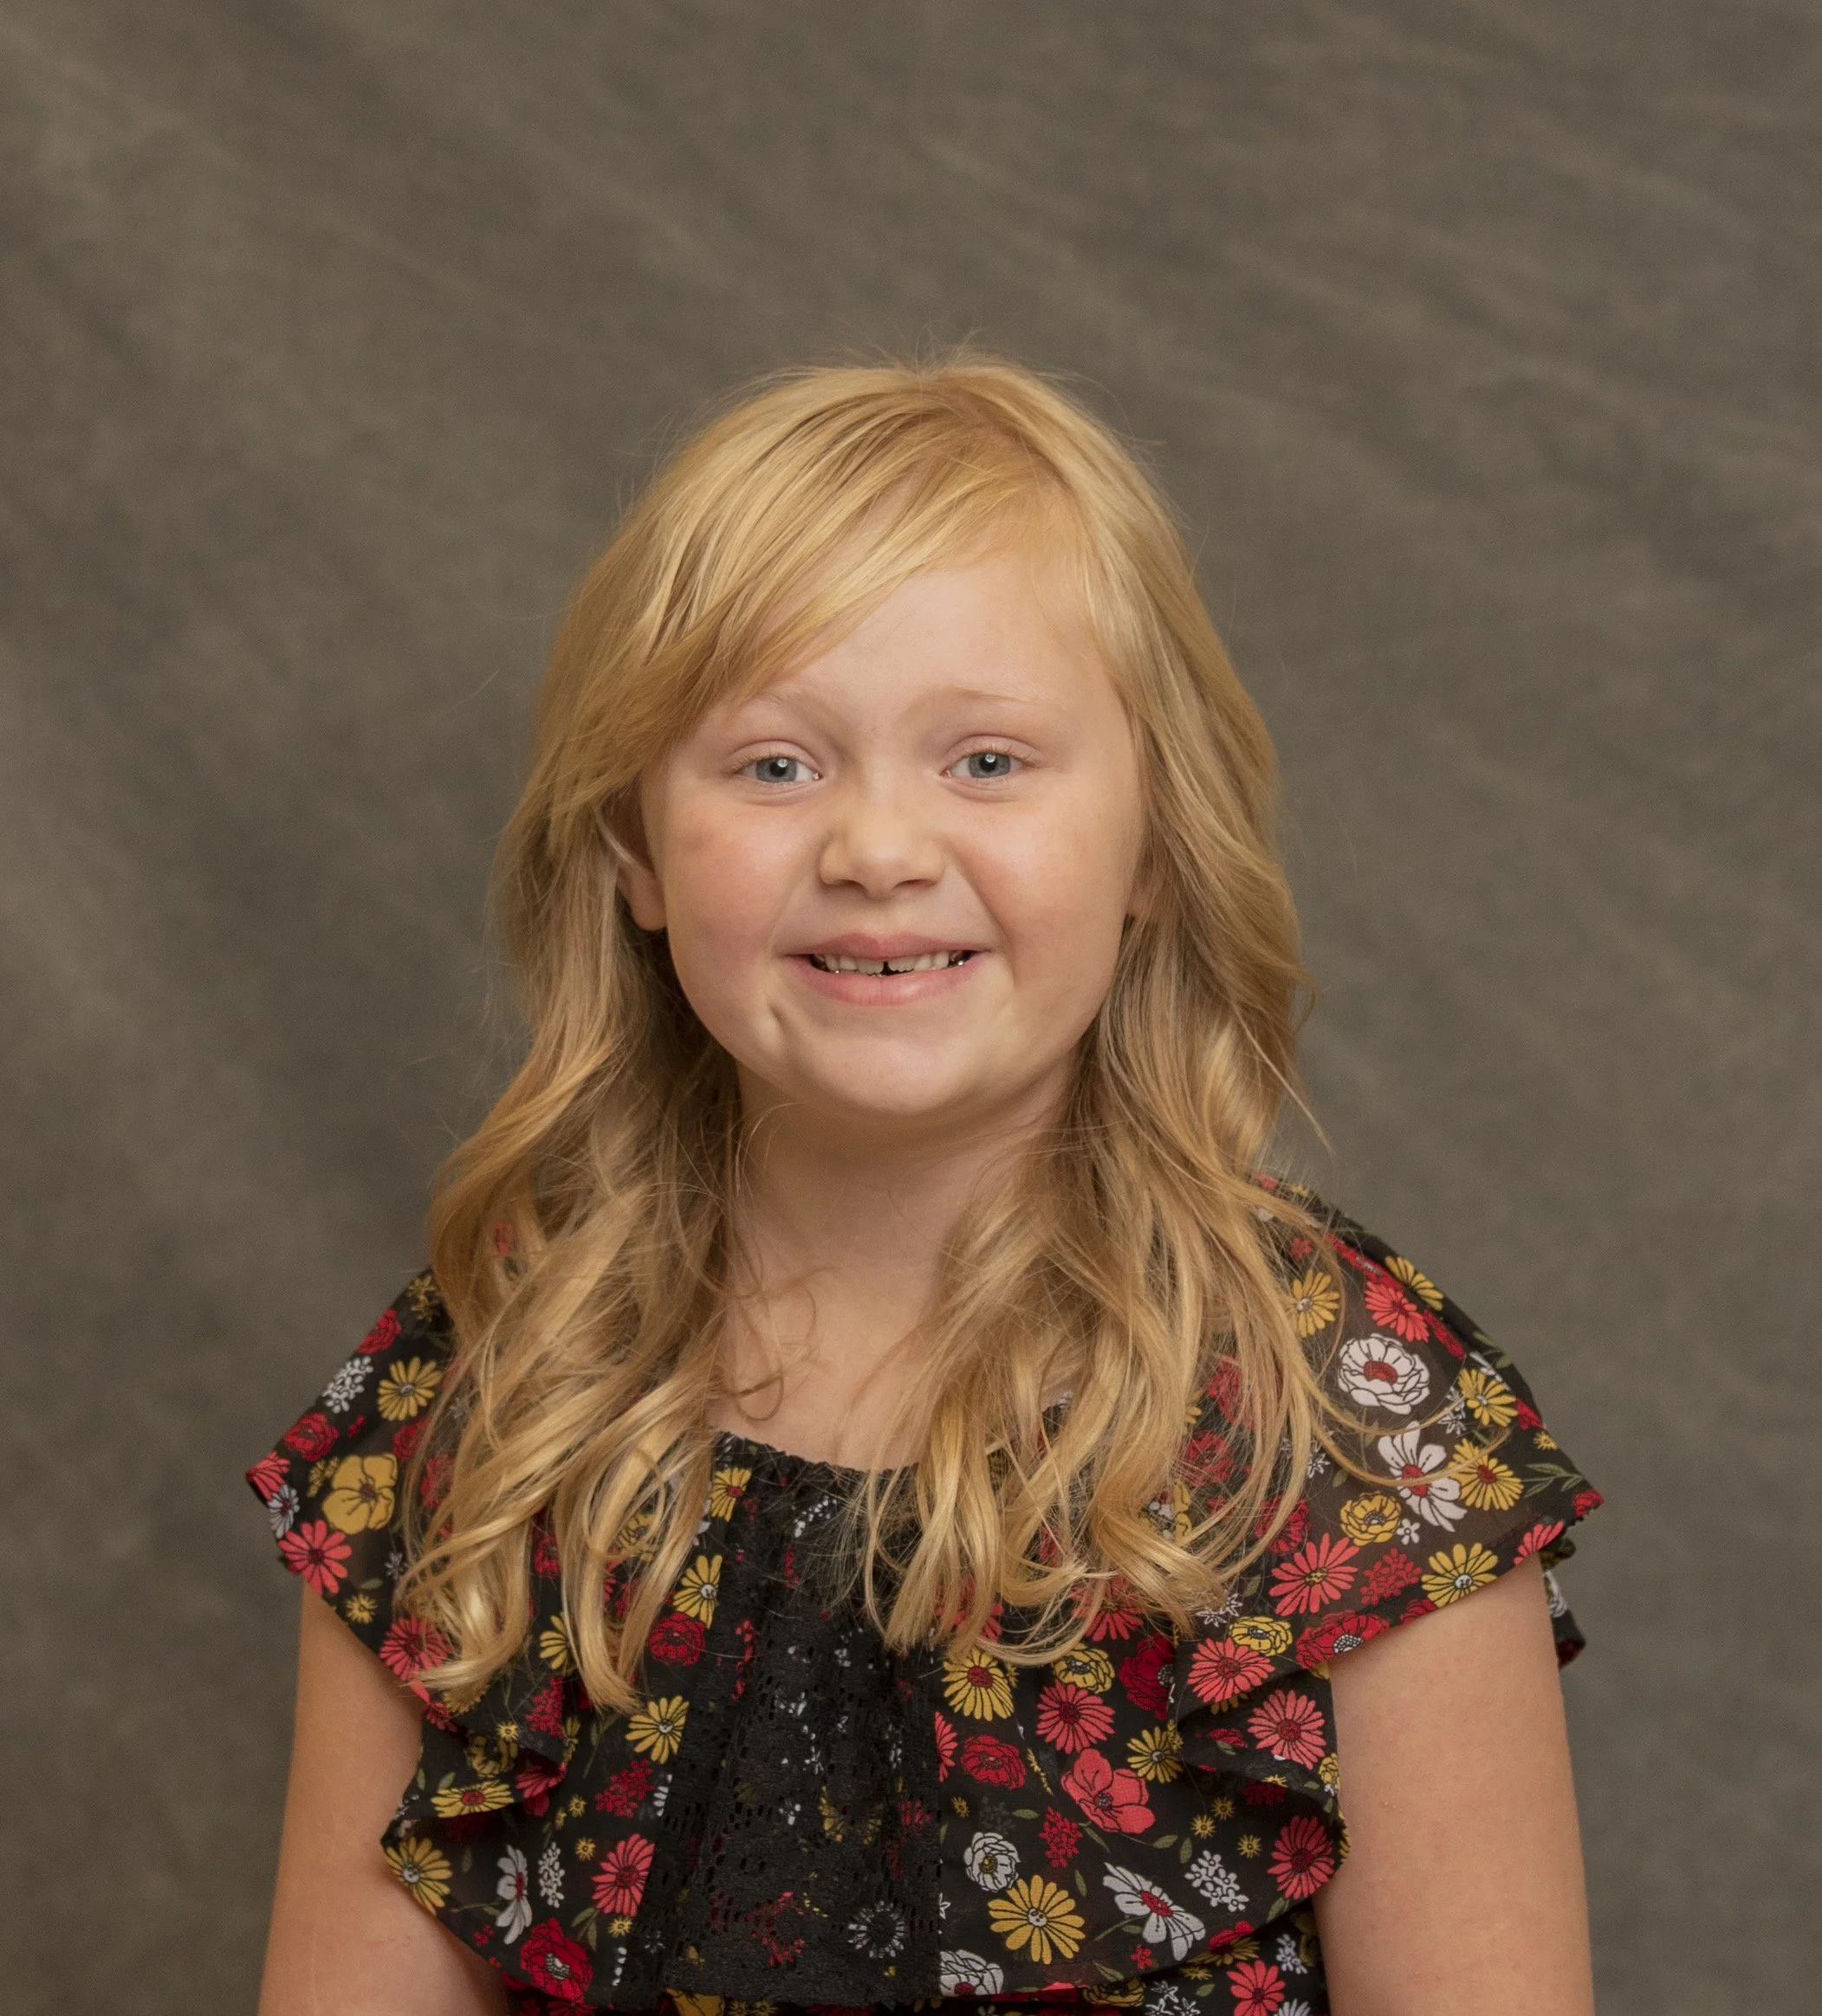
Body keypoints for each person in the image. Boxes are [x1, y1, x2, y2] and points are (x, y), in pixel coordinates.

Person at [248, 356, 1602, 2016]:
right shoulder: (489, 1397)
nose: (878, 849)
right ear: (632, 854)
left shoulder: (1344, 1435)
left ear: (1155, 844)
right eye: (773, 765)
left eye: (986, 761)